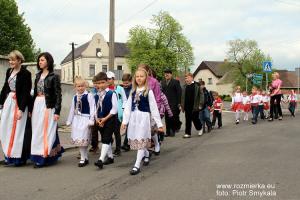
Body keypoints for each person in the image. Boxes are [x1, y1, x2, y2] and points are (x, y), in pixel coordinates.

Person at [121, 68, 163, 175]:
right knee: (138, 139)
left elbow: (154, 109)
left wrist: (159, 124)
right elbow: (127, 107)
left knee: (141, 139)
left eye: (142, 76)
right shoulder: (133, 91)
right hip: (134, 119)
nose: (139, 78)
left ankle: (136, 165)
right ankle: (147, 154)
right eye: (137, 76)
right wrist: (124, 122)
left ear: (146, 78)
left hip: (144, 119)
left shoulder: (148, 92)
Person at [30, 52, 64, 168]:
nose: (40, 62)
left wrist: (57, 112)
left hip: (48, 106)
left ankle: (43, 157)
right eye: (39, 60)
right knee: (38, 131)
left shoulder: (54, 76)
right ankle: (39, 154)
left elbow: (58, 95)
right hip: (37, 104)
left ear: (48, 61)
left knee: (47, 131)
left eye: (42, 60)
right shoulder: (37, 76)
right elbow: (34, 93)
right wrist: (31, 108)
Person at [0, 50, 32, 166]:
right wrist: (1, 103)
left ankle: (19, 158)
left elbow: (25, 93)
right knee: (6, 129)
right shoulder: (9, 71)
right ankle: (9, 156)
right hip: (9, 102)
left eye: (13, 60)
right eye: (9, 60)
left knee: (18, 130)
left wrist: (21, 109)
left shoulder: (26, 74)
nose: (10, 62)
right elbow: (5, 87)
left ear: (19, 60)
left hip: (19, 104)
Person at [66, 77, 95, 167]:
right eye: (78, 86)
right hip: (77, 120)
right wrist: (69, 120)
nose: (80, 88)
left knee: (84, 139)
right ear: (75, 87)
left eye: (82, 86)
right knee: (79, 139)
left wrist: (91, 119)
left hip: (85, 119)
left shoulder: (89, 95)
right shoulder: (75, 97)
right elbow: (72, 109)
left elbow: (92, 108)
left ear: (85, 86)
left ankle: (84, 157)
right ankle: (84, 157)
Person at [93, 72, 118, 170]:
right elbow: (94, 109)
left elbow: (114, 109)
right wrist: (97, 119)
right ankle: (110, 157)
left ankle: (100, 160)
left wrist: (105, 119)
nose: (100, 85)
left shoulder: (112, 94)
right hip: (100, 120)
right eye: (98, 83)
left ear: (107, 82)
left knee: (106, 138)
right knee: (104, 137)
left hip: (110, 119)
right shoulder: (96, 96)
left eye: (102, 82)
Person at [106, 71, 127, 156]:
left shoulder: (119, 88)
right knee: (108, 133)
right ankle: (109, 148)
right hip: (108, 114)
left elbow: (124, 100)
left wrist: (122, 111)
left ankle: (118, 150)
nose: (108, 80)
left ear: (113, 79)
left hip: (117, 114)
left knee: (116, 132)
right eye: (106, 79)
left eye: (109, 79)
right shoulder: (105, 90)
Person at [181, 73, 203, 138]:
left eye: (187, 78)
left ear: (191, 78)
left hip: (195, 106)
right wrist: (181, 105)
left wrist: (200, 104)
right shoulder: (184, 86)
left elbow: (201, 95)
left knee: (195, 119)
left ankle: (200, 128)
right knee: (187, 120)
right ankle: (187, 133)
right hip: (187, 106)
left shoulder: (197, 85)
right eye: (185, 78)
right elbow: (182, 97)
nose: (186, 79)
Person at [161, 69, 182, 136]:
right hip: (165, 103)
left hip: (174, 102)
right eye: (165, 73)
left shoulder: (175, 82)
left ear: (171, 74)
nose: (166, 74)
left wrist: (179, 102)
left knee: (172, 117)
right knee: (167, 117)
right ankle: (167, 132)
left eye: (168, 73)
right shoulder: (163, 82)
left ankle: (172, 131)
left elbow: (179, 92)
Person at [121, 73, 132, 152]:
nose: (125, 85)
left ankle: (126, 144)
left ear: (131, 81)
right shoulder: (121, 89)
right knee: (127, 127)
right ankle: (126, 144)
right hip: (124, 111)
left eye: (127, 83)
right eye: (124, 83)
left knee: (129, 128)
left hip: (132, 111)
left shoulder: (133, 89)